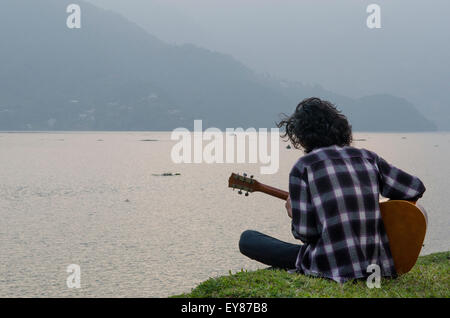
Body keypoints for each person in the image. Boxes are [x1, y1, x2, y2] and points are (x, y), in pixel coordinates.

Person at [238, 97, 426, 283]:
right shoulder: (368, 158)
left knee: (248, 239)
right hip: (377, 267)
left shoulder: (303, 167)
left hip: (330, 265)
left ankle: (298, 266)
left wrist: (293, 212)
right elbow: (415, 188)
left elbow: (306, 233)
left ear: (302, 136)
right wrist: (375, 205)